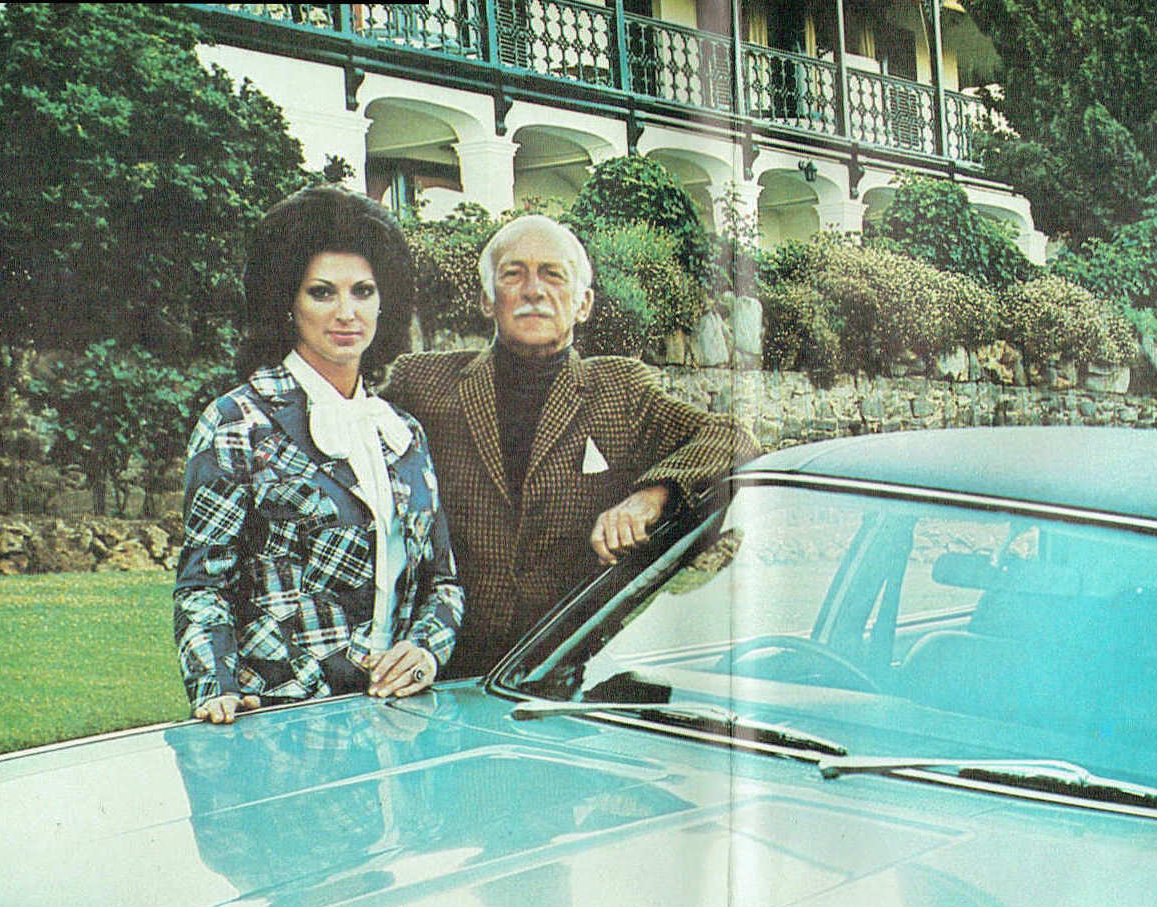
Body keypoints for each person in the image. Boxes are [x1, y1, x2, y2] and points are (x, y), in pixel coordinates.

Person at [382, 214, 752, 679]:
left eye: (553, 275)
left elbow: (733, 438)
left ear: (584, 304)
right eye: (513, 274)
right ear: (486, 299)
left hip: (570, 669)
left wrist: (651, 497)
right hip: (445, 669)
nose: (533, 290)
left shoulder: (620, 389)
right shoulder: (423, 382)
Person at [173, 188, 461, 720]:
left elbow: (441, 584)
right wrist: (214, 685)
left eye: (363, 291)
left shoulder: (405, 435)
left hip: (396, 719)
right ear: (287, 301)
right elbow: (203, 583)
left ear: (385, 302)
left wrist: (425, 652)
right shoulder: (238, 422)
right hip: (280, 721)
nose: (347, 313)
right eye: (322, 293)